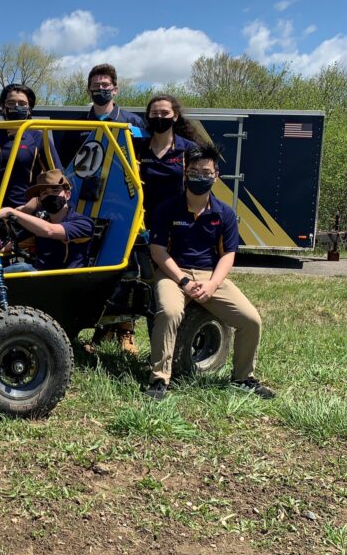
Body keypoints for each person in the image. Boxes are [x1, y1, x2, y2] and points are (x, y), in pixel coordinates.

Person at [145, 142, 274, 401]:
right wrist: (182, 281)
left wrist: (213, 284)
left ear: (216, 176)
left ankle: (243, 378)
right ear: (185, 173)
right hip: (173, 273)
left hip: (210, 275)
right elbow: (158, 251)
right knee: (169, 312)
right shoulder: (167, 209)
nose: (200, 177)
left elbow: (228, 254)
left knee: (251, 321)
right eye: (194, 171)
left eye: (206, 172)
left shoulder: (224, 213)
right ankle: (160, 379)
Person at [75, 64, 146, 355]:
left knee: (127, 269)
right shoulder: (80, 124)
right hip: (90, 207)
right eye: (95, 85)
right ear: (89, 89)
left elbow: (144, 160)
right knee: (96, 267)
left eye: (106, 85)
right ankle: (101, 328)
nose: (101, 89)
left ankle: (126, 331)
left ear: (115, 89)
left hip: (124, 207)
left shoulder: (131, 120)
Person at [0, 169, 93, 275]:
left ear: (67, 195)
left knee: (21, 269)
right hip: (34, 278)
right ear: (40, 200)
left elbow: (50, 230)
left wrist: (12, 212)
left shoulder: (83, 223)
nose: (49, 195)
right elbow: (11, 245)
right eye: (44, 193)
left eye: (55, 190)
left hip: (58, 282)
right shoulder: (40, 223)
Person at [0, 83, 61, 208]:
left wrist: (33, 205)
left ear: (29, 108)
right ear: (3, 107)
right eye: (11, 103)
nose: (16, 107)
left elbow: (57, 178)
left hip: (24, 212)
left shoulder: (39, 137)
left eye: (22, 104)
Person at [139, 95, 197, 232]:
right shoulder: (138, 147)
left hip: (178, 221)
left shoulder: (189, 148)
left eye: (165, 113)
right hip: (143, 221)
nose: (159, 117)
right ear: (148, 116)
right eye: (154, 113)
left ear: (175, 116)